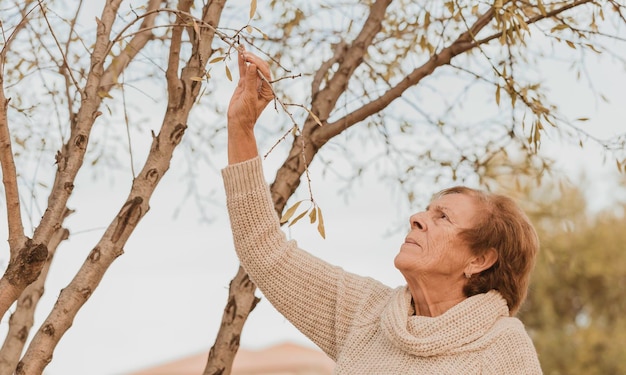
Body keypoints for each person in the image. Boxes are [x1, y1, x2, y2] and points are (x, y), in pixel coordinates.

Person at [221, 48, 542, 374]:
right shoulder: (367, 314)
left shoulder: (502, 346)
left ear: (479, 259)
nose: (417, 218)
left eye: (442, 217)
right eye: (427, 211)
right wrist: (241, 126)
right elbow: (263, 250)